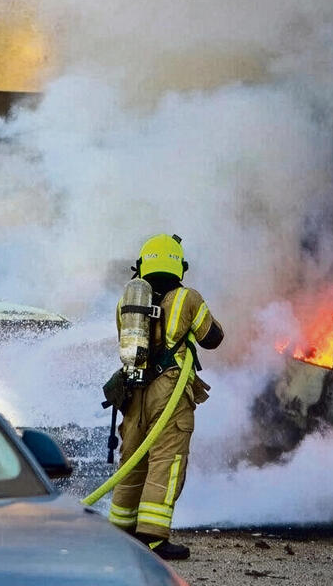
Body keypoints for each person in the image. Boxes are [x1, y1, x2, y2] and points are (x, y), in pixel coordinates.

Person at [108, 234, 224, 560]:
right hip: (168, 389)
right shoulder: (187, 299)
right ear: (180, 266)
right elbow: (212, 338)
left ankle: (120, 533)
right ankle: (154, 539)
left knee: (131, 460)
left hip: (133, 390)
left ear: (143, 264)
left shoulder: (125, 303)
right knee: (166, 459)